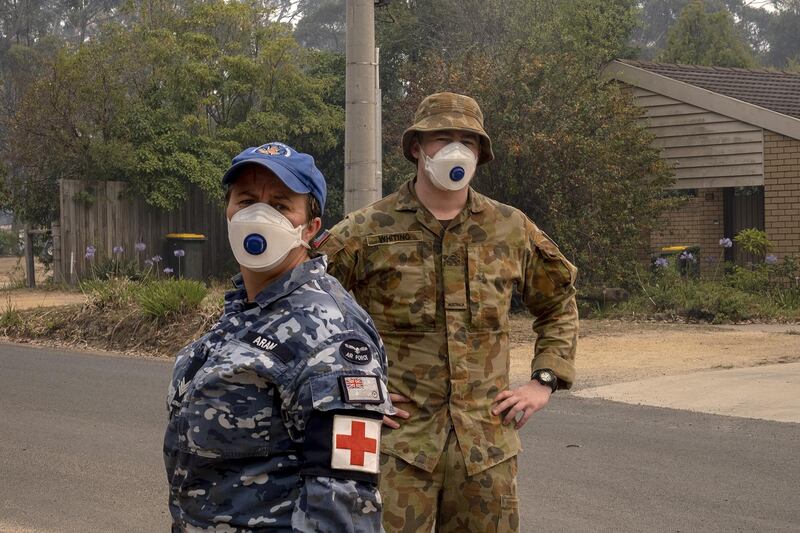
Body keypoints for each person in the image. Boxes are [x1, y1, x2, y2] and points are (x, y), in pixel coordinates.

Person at [316, 92, 579, 532]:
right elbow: (304, 308)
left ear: (480, 152)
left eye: (468, 141)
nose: (456, 150)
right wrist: (348, 391)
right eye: (442, 137)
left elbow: (557, 303)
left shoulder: (510, 228)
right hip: (394, 444)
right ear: (417, 146)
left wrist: (545, 379)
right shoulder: (367, 229)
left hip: (486, 449)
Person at [163, 142, 393, 532]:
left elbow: (344, 511)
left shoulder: (332, 334)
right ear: (229, 210)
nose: (258, 215)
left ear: (311, 227)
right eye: (247, 200)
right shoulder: (245, 309)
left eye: (281, 205)